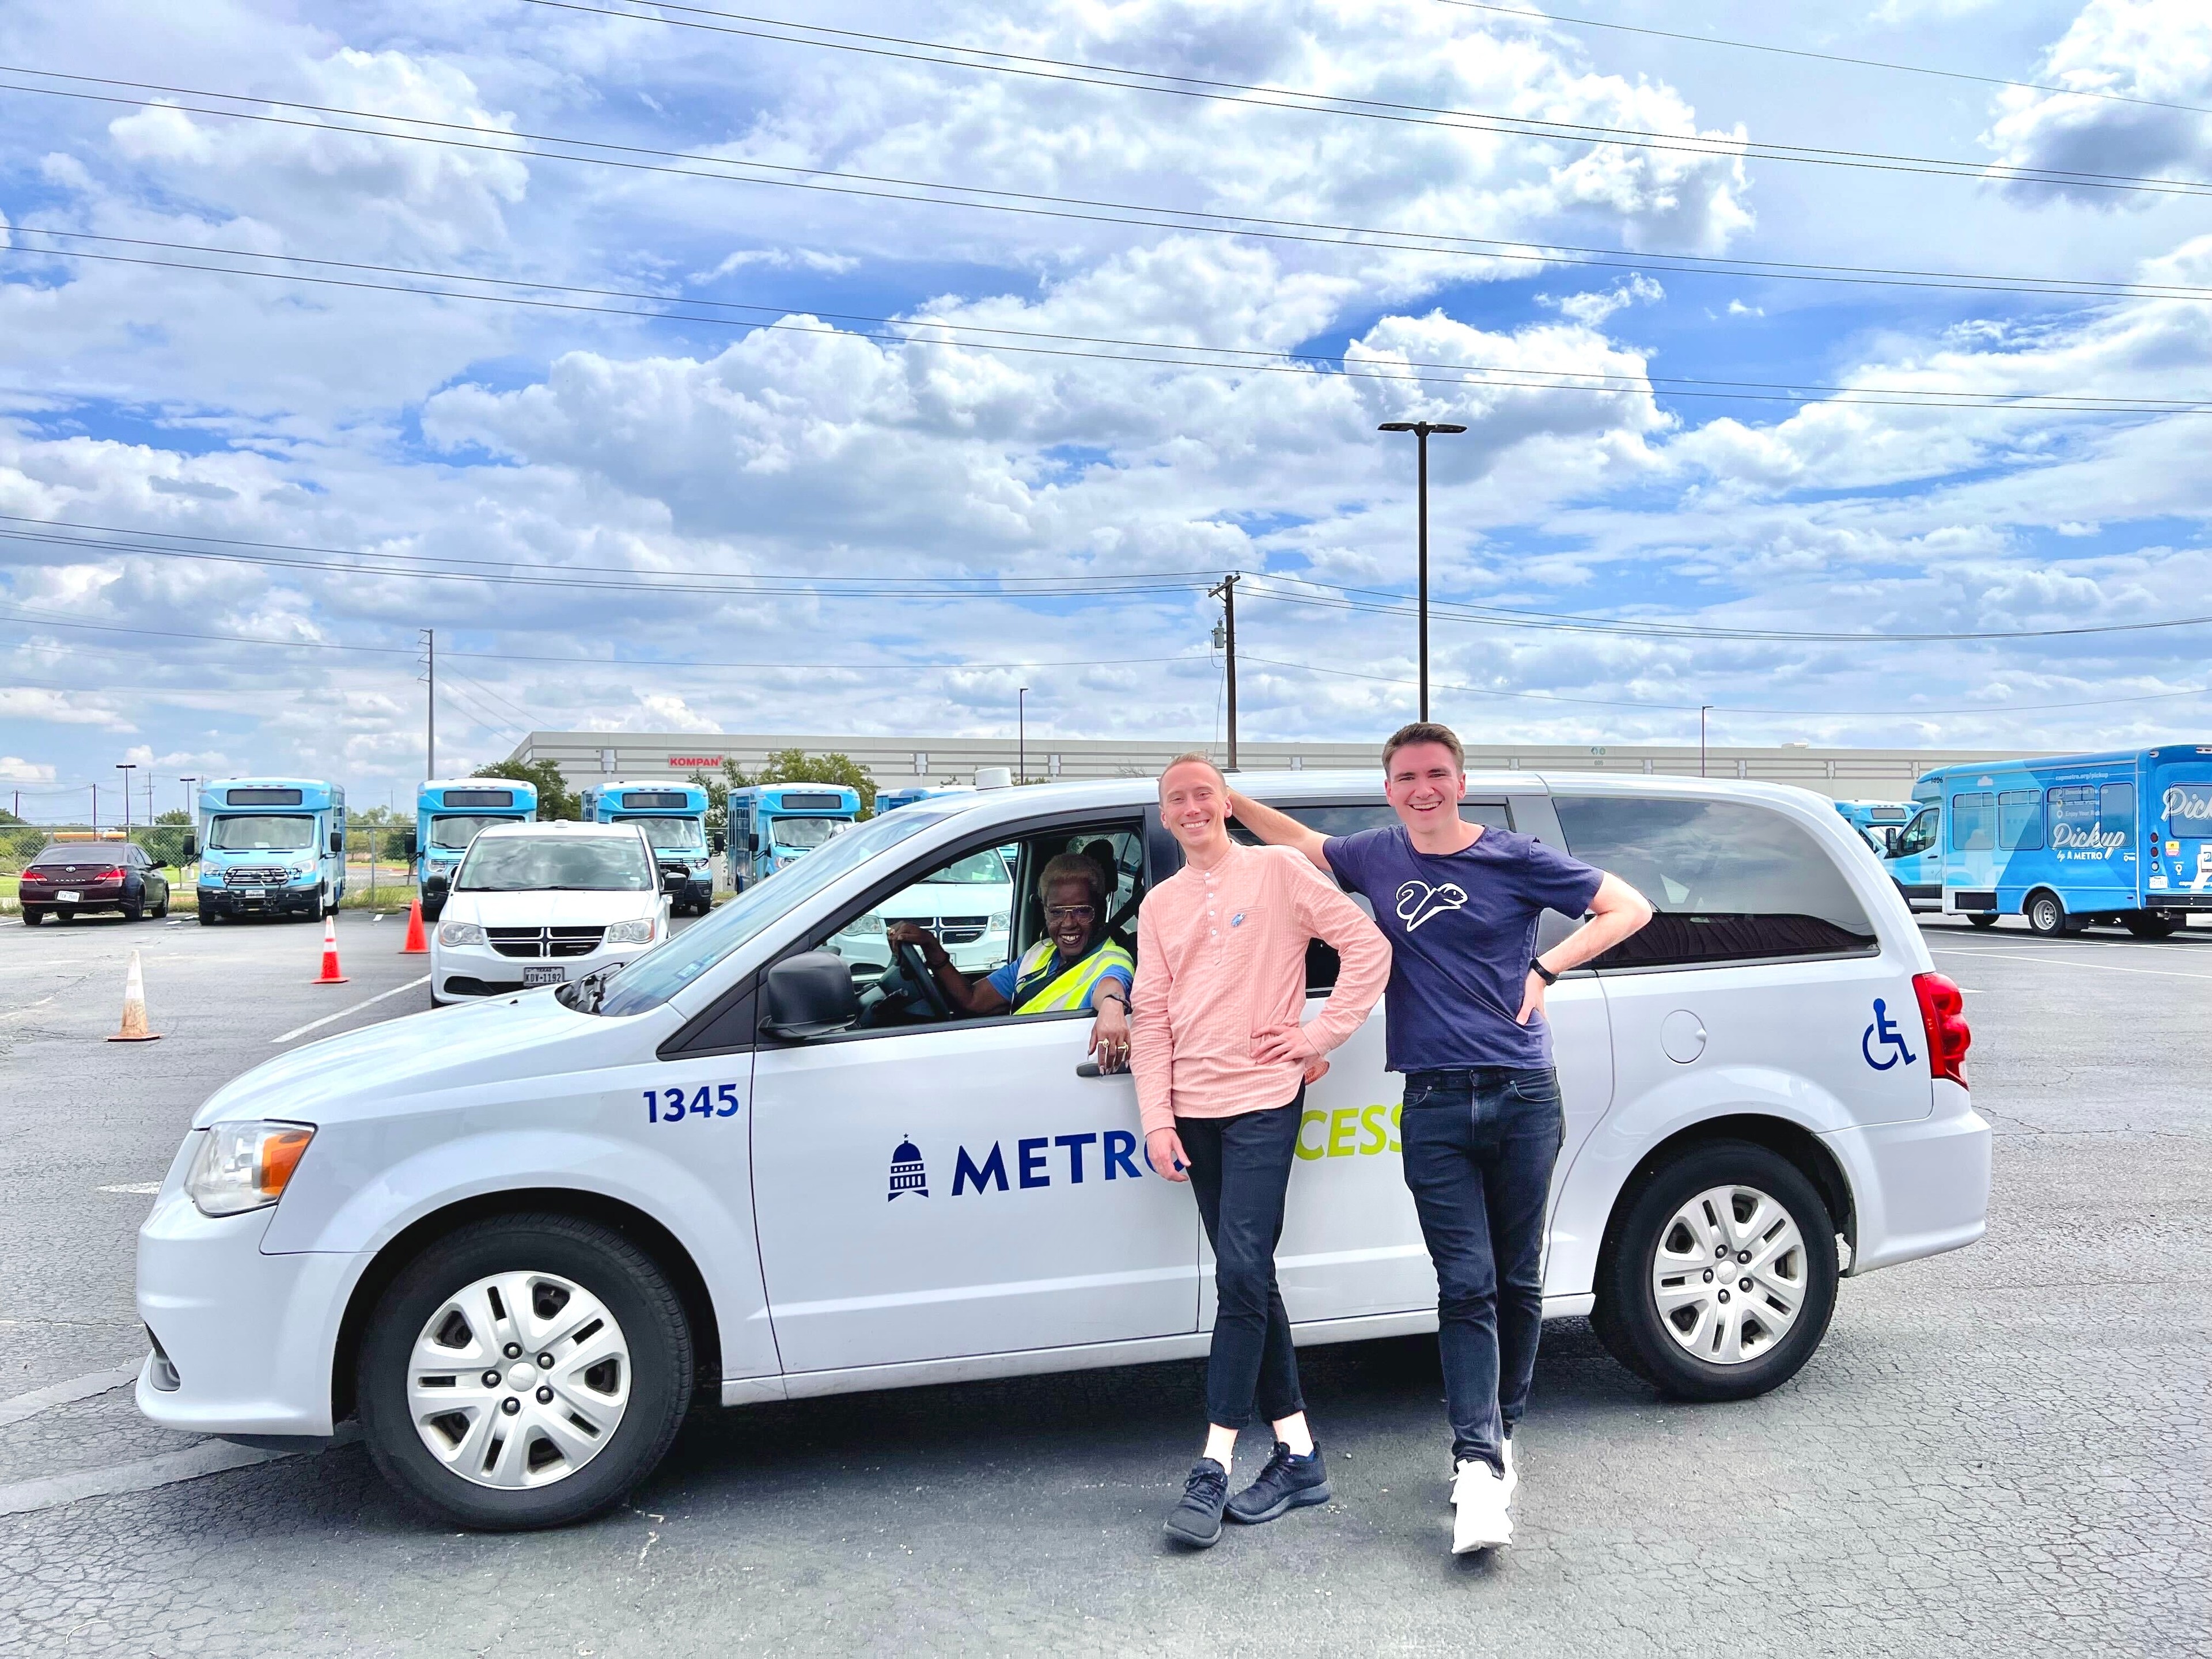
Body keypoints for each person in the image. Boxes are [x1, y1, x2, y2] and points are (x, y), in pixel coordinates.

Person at [1228, 722, 1652, 1555]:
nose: (1422, 789)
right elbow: (1305, 844)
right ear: (1388, 789)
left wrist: (1547, 969)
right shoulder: (1378, 857)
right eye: (1406, 778)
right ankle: (1478, 1465)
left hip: (1524, 1093)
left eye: (1436, 775)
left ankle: (1503, 1427)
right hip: (1432, 1104)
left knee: (1516, 1277)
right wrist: (1225, 796)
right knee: (1465, 1284)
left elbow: (1629, 907)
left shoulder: (1516, 857)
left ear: (1460, 782)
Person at [1131, 754, 1391, 1549]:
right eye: (1177, 799)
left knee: (1240, 1273)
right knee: (1252, 1276)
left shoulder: (1278, 871)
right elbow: (1149, 1016)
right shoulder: (1160, 904)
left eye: (1204, 793)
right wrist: (1157, 1120)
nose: (1192, 807)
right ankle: (1301, 1455)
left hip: (1264, 1102)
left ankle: (1212, 1462)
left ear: (1228, 804)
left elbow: (1369, 948)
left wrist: (1317, 1036)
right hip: (1192, 1111)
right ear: (1168, 816)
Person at [888, 852, 1136, 1071]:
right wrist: (932, 947)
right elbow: (973, 1000)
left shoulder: (1113, 959)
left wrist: (1112, 1006)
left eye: (1082, 911)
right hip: (1025, 1067)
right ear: (1045, 911)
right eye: (1057, 912)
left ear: (1099, 911)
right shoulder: (1040, 953)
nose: (1068, 923)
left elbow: (1112, 985)